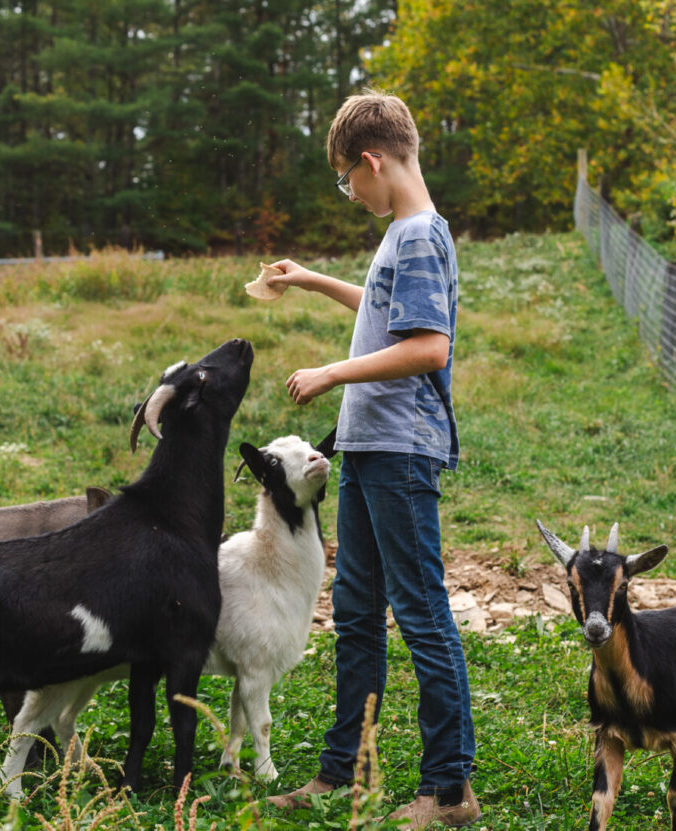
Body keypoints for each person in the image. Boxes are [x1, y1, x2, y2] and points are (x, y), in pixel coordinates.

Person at [262, 89, 479, 829]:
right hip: (368, 450)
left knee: (420, 613)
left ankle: (449, 790)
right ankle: (343, 772)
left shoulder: (418, 234)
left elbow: (428, 346)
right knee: (357, 612)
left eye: (345, 179)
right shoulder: (407, 235)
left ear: (371, 160)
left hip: (399, 453)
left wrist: (329, 373)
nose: (349, 193)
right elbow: (386, 313)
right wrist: (313, 279)